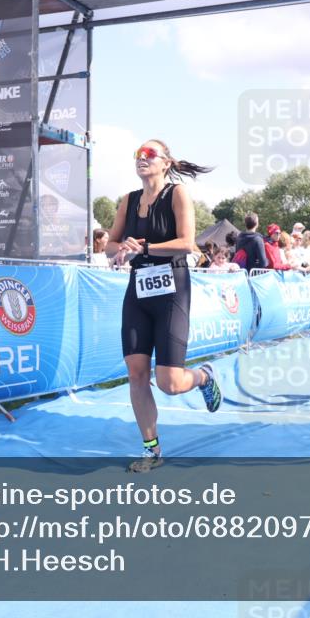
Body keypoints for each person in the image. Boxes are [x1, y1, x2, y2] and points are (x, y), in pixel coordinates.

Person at [105, 139, 224, 472]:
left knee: (170, 383)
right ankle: (152, 450)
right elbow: (109, 246)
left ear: (166, 162)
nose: (142, 159)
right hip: (138, 291)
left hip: (172, 289)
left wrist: (142, 248)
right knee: (137, 374)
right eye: (138, 155)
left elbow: (187, 243)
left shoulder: (177, 194)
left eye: (150, 155)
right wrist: (120, 247)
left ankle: (203, 377)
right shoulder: (128, 201)